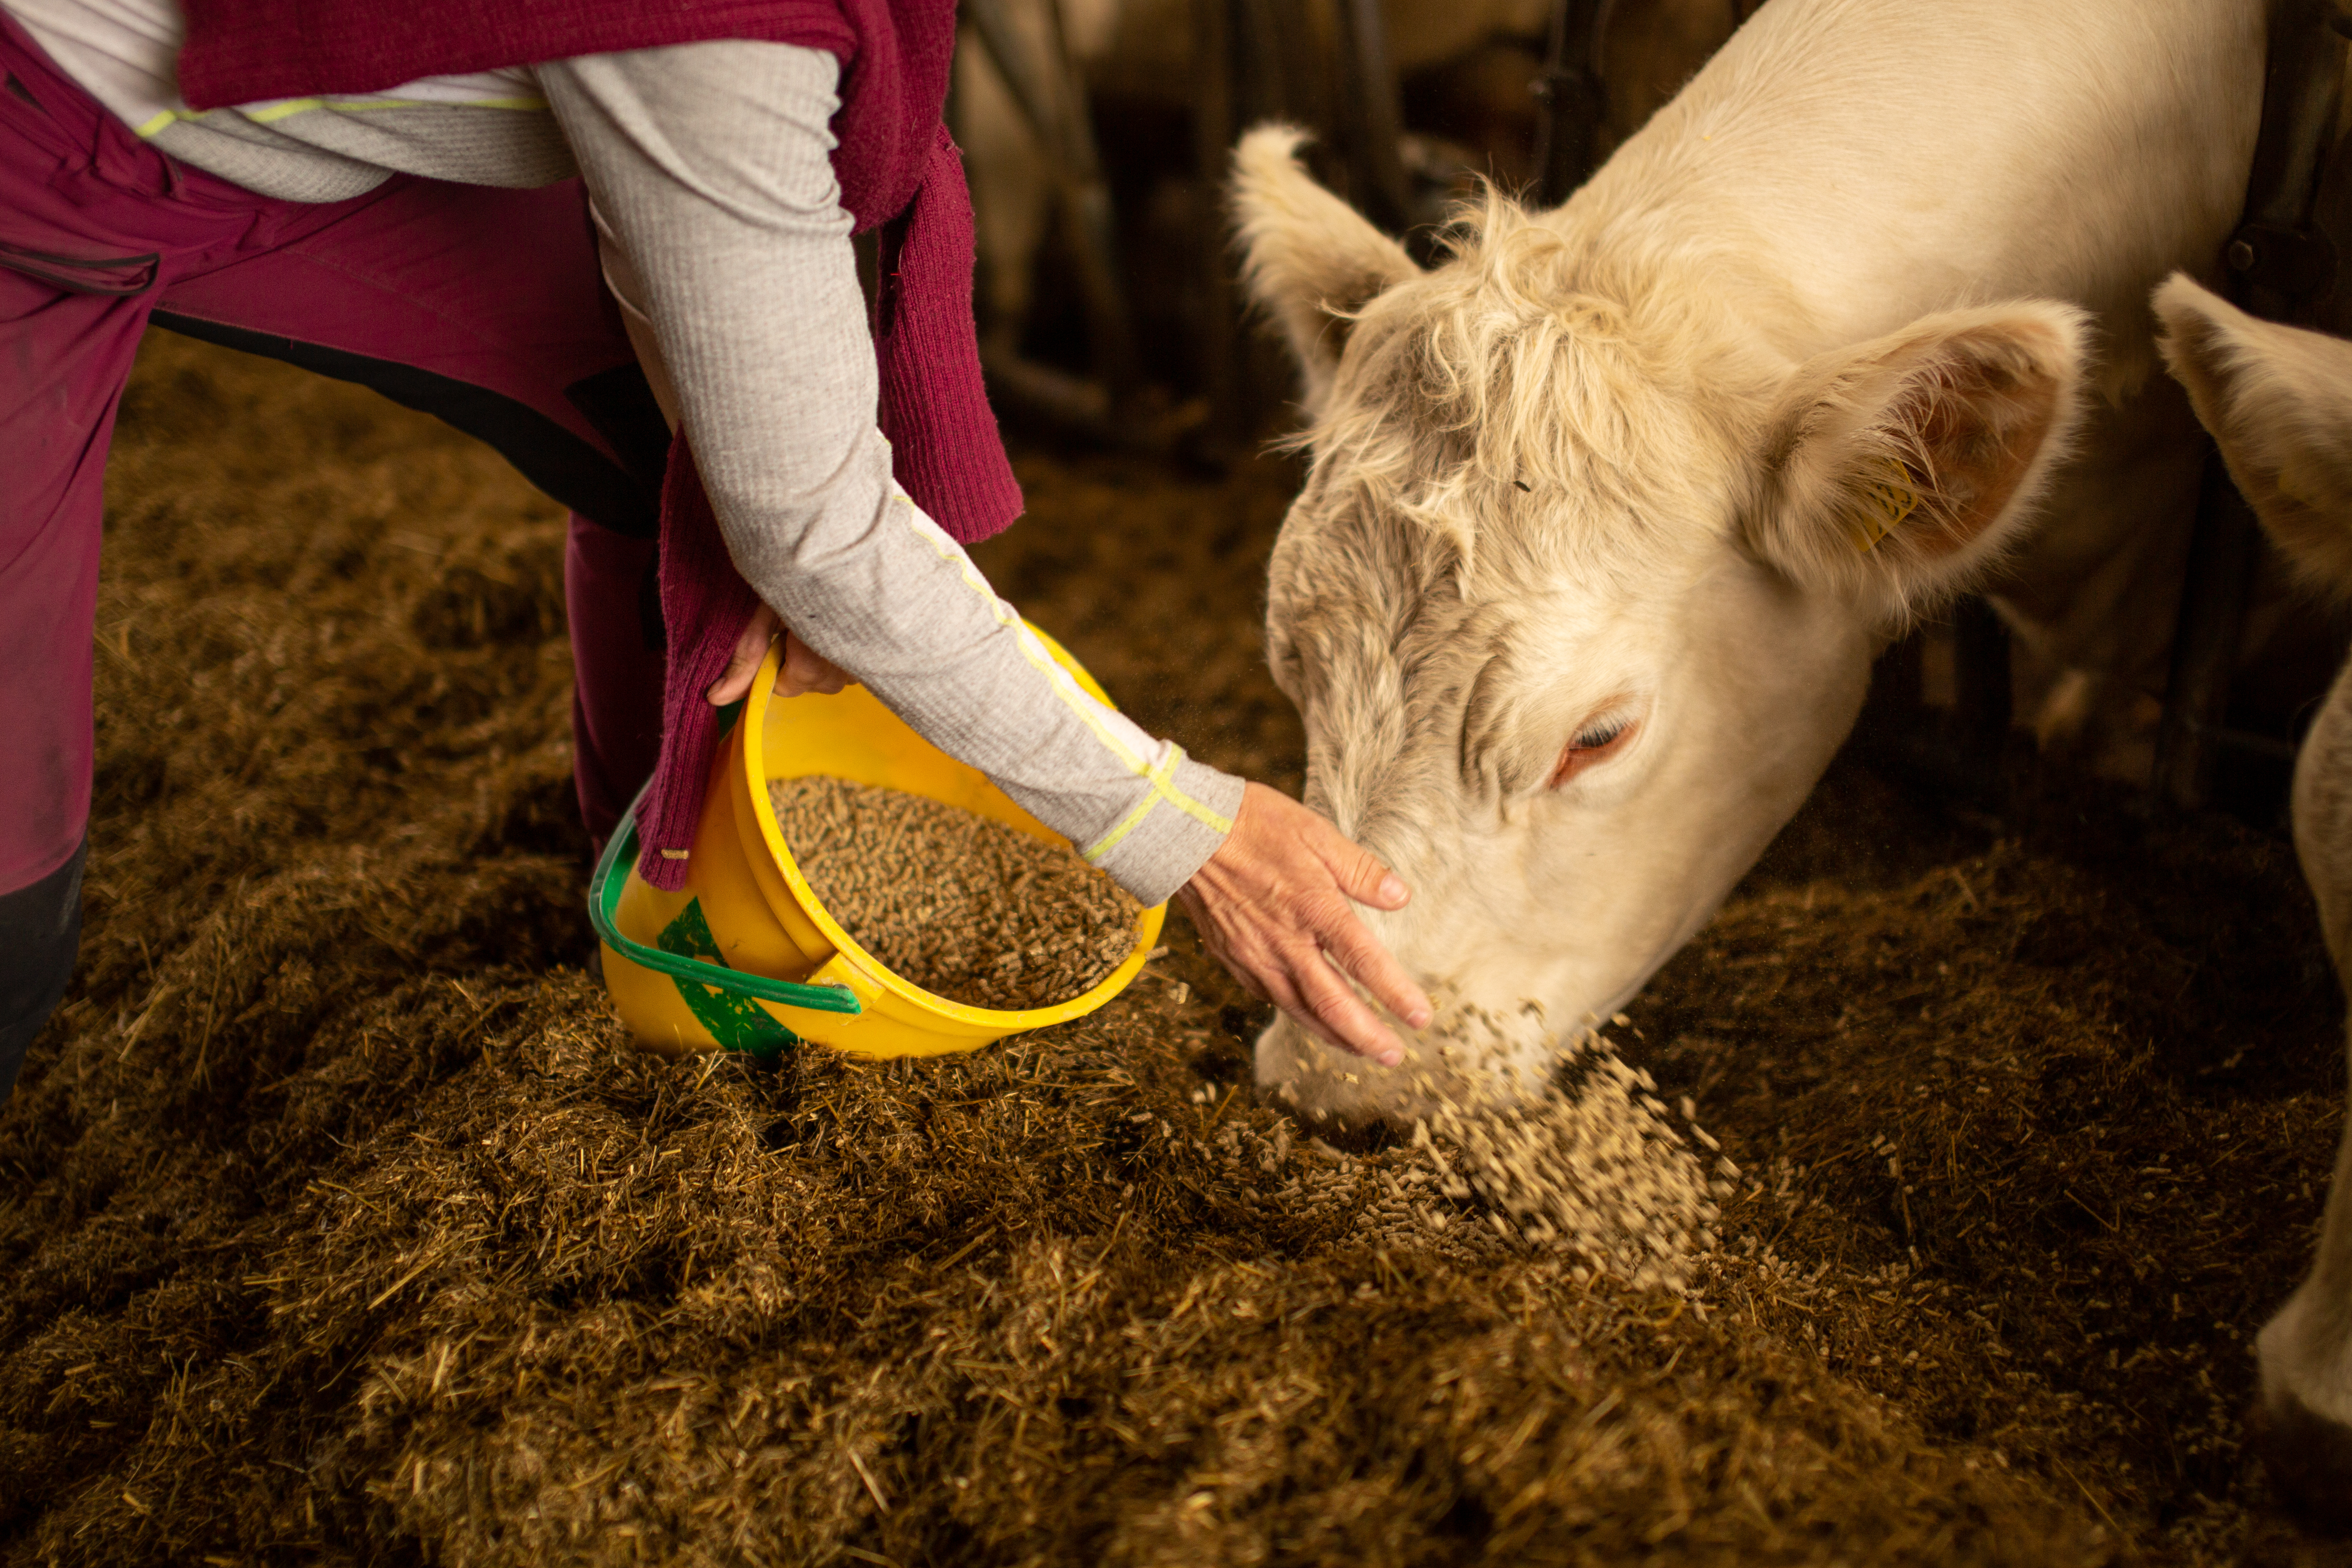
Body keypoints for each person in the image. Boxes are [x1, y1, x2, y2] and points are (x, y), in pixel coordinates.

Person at [0, 0, 1433, 1104]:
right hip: (45, 142)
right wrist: (1183, 828)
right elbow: (817, 530)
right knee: (15, 911)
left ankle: (664, 882)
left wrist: (756, 480)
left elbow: (704, 316)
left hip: (292, 109)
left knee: (674, 439)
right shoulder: (722, 28)